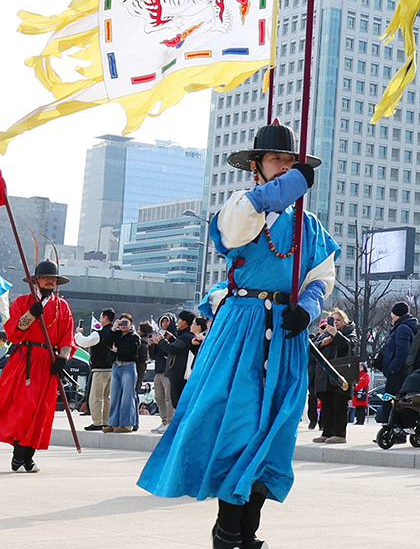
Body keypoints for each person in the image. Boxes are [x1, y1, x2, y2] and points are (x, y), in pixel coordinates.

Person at [138, 122, 338, 549]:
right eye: (276, 160)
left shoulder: (312, 226)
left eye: (290, 162)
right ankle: (227, 528)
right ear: (256, 167)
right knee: (236, 422)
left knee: (275, 428)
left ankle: (248, 531)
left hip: (286, 332)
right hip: (242, 329)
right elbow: (235, 235)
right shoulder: (241, 206)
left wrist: (307, 308)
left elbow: (321, 276)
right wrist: (290, 185)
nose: (284, 167)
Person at [0, 260, 76, 472]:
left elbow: (67, 337)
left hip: (48, 362)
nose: (50, 281)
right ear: (37, 280)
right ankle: (19, 451)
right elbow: (13, 333)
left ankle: (28, 455)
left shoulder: (63, 306)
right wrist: (31, 314)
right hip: (25, 359)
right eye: (46, 278)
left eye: (54, 278)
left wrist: (62, 359)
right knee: (24, 407)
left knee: (41, 410)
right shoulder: (23, 302)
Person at [312, 309, 355, 444]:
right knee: (327, 404)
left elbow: (348, 347)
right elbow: (312, 348)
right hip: (324, 375)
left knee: (339, 404)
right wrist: (322, 343)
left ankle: (339, 433)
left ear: (345, 322)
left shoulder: (350, 332)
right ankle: (327, 431)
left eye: (339, 320)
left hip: (340, 374)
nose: (336, 323)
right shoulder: (324, 334)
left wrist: (336, 335)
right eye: (334, 320)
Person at [76, 307, 116, 430]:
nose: (100, 319)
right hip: (112, 369)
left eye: (101, 317)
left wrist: (78, 333)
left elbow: (83, 342)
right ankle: (106, 421)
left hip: (99, 369)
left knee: (96, 397)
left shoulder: (99, 333)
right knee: (107, 397)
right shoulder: (114, 333)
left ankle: (97, 422)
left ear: (105, 318)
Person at [106, 312, 141, 433]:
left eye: (126, 323)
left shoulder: (134, 337)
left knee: (127, 397)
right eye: (121, 323)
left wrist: (117, 350)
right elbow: (106, 342)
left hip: (128, 366)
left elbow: (132, 350)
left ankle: (127, 424)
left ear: (132, 325)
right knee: (114, 396)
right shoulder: (117, 335)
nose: (123, 325)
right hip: (116, 366)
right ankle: (113, 423)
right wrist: (113, 329)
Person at [380, 302, 418, 403]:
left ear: (396, 314)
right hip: (401, 372)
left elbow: (402, 352)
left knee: (390, 404)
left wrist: (391, 369)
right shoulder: (407, 327)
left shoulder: (402, 328)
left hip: (397, 374)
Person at [165, 309, 198, 408]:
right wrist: (171, 339)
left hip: (179, 374)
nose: (178, 323)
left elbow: (173, 349)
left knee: (178, 401)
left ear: (184, 322)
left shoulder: (186, 337)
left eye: (179, 320)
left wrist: (161, 341)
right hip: (180, 373)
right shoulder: (185, 336)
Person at [150, 315, 177, 433]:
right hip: (158, 370)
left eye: (167, 321)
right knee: (159, 398)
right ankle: (164, 420)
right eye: (162, 321)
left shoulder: (174, 335)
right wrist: (152, 345)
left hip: (169, 371)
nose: (164, 324)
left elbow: (172, 350)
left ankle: (170, 422)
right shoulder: (158, 334)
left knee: (168, 398)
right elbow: (153, 356)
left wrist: (165, 340)